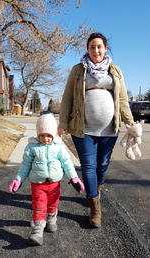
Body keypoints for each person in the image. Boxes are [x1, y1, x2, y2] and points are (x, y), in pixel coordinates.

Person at [58, 32, 135, 228]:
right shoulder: (78, 70)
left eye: (99, 46)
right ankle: (94, 207)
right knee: (89, 166)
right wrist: (63, 122)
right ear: (87, 49)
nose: (96, 50)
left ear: (105, 48)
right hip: (83, 129)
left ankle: (95, 191)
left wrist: (130, 122)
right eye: (92, 47)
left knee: (102, 164)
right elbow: (67, 98)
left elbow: (123, 99)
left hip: (110, 129)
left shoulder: (115, 71)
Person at [9, 112, 84, 246]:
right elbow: (25, 165)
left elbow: (67, 163)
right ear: (38, 134)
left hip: (54, 184)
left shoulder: (58, 147)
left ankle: (51, 219)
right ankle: (37, 231)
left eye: (49, 135)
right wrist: (18, 179)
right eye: (42, 135)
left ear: (54, 134)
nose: (45, 138)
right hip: (38, 184)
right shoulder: (32, 147)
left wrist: (74, 178)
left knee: (53, 204)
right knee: (39, 206)